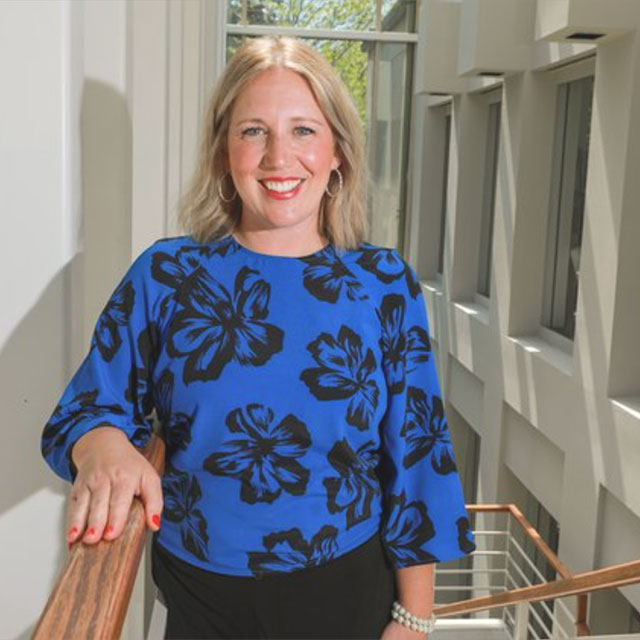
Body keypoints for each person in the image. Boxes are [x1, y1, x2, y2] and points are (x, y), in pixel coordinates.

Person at [41, 35, 475, 639]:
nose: (278, 157)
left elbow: (417, 456)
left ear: (338, 154)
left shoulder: (383, 284)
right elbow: (84, 411)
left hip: (348, 596)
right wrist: (106, 446)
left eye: (303, 130)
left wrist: (414, 619)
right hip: (202, 609)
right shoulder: (167, 277)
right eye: (253, 131)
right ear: (224, 152)